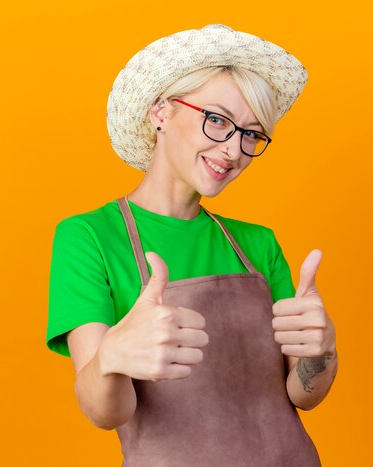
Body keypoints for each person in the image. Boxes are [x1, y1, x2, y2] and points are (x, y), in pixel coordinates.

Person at [46, 24, 338, 466]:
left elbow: (302, 394)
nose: (234, 149)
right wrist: (111, 360)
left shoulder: (257, 243)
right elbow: (104, 412)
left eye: (251, 133)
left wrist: (322, 351)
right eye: (217, 119)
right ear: (160, 112)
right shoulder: (89, 237)